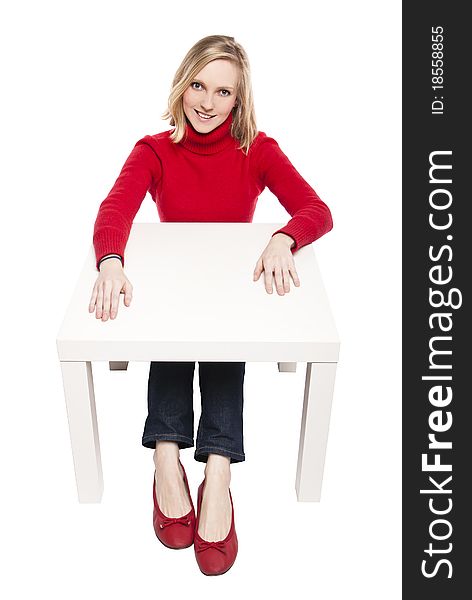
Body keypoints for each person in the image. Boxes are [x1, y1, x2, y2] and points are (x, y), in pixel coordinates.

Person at [88, 34, 333, 576]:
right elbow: (116, 208)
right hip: (176, 286)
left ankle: (218, 472)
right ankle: (166, 459)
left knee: (224, 347)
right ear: (182, 85)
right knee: (173, 342)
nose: (206, 101)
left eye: (223, 92)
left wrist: (283, 237)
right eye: (198, 85)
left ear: (238, 100)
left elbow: (317, 209)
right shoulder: (153, 149)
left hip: (229, 289)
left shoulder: (257, 149)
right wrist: (109, 259)